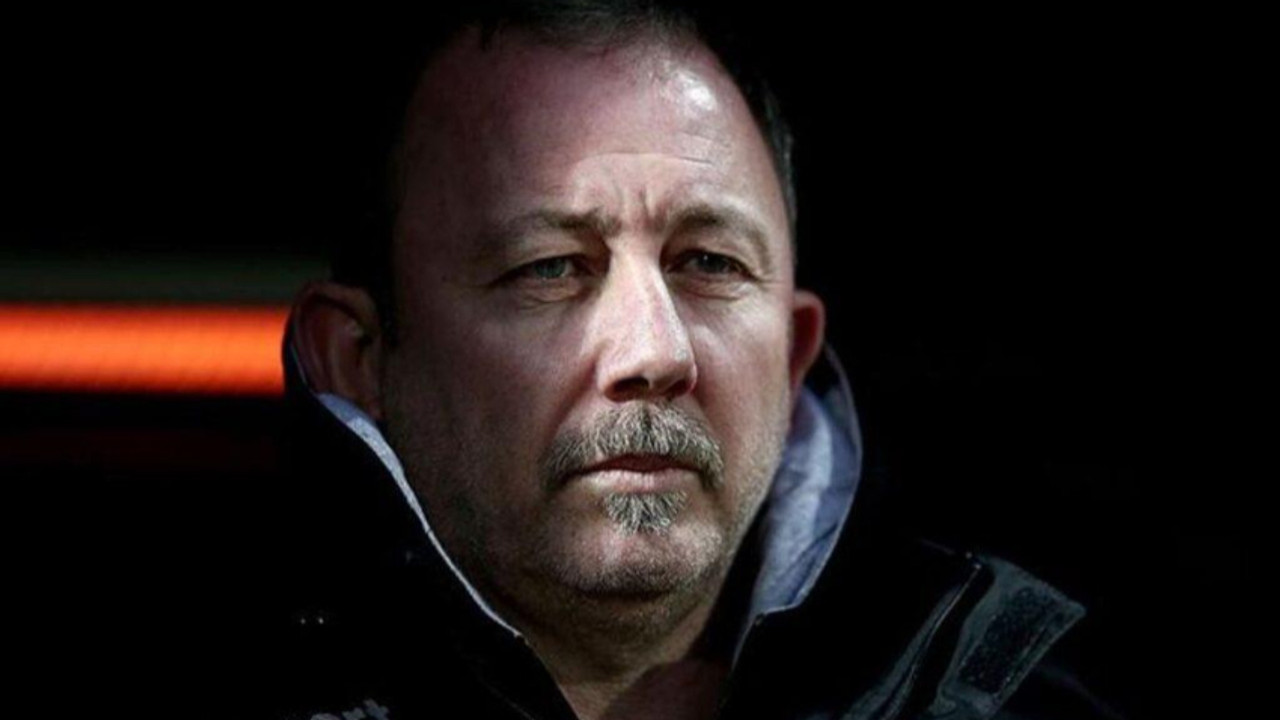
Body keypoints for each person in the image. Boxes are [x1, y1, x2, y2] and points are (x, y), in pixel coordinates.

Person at [267, 3, 1118, 718]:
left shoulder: (1024, 697)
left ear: (794, 354)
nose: (655, 352)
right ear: (360, 359)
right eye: (549, 269)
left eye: (710, 263)